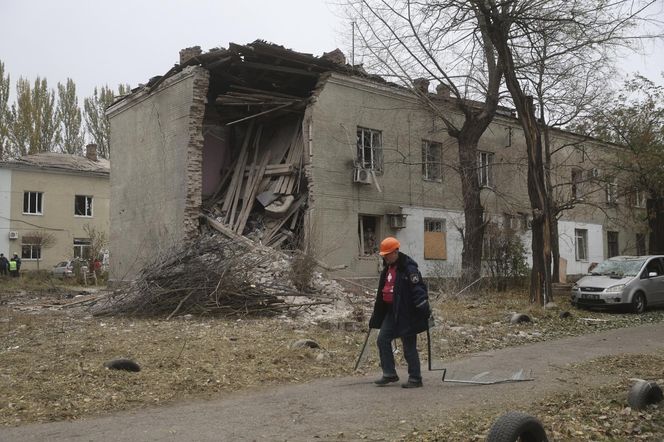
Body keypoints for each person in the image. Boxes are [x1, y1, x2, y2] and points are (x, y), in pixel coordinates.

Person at [369, 236, 431, 388]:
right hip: (391, 312)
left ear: (395, 252)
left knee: (409, 346)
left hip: (407, 313)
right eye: (384, 255)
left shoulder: (409, 268)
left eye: (387, 254)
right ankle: (389, 373)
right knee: (382, 339)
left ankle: (415, 378)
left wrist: (423, 306)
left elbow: (418, 289)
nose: (385, 257)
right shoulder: (388, 268)